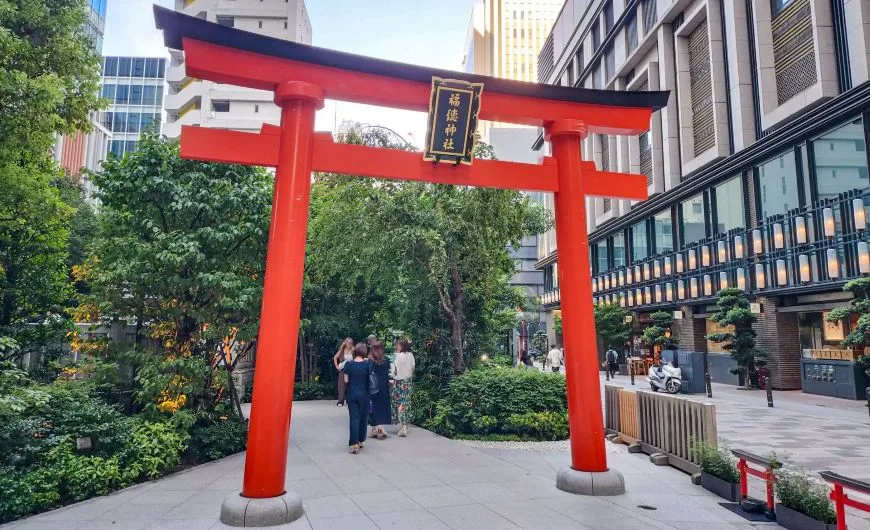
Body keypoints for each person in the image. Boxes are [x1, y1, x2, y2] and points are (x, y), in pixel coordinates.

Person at [343, 342, 371, 453]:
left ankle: (354, 444)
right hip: (364, 396)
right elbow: (371, 380)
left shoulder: (348, 365)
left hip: (352, 395)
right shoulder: (368, 365)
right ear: (364, 352)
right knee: (363, 418)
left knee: (354, 418)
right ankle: (360, 441)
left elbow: (346, 380)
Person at [390, 338, 415, 437]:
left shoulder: (397, 357)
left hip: (399, 381)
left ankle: (403, 426)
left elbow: (394, 371)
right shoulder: (411, 355)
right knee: (406, 402)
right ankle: (405, 424)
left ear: (401, 346)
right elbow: (413, 368)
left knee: (398, 402)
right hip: (408, 382)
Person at [368, 340, 391, 439]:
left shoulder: (371, 361)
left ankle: (378, 427)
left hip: (373, 388)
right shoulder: (386, 360)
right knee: (381, 407)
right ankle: (375, 430)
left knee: (372, 407)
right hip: (384, 387)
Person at [332, 338, 354, 406]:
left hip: (351, 370)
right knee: (341, 385)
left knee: (351, 386)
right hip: (343, 369)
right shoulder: (341, 350)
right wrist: (337, 367)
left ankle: (349, 400)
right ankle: (340, 401)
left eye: (350, 343)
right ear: (345, 343)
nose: (349, 345)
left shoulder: (353, 350)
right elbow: (335, 357)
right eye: (348, 343)